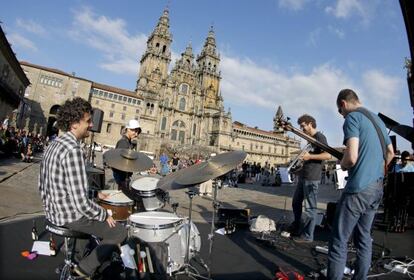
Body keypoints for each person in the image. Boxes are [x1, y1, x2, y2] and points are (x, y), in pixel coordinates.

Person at [39, 97, 127, 278]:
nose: (91, 124)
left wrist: (96, 193)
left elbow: (47, 185)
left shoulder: (53, 144)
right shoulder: (73, 150)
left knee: (94, 210)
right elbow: (80, 203)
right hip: (68, 216)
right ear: (74, 124)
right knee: (119, 231)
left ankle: (76, 255)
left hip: (52, 212)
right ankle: (85, 269)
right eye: (88, 121)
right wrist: (105, 214)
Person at [327, 89, 394, 280]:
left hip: (358, 189)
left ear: (343, 104)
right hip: (376, 187)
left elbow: (352, 156)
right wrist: (377, 170)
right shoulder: (377, 120)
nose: (342, 116)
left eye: (341, 113)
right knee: (364, 237)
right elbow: (390, 152)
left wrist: (342, 164)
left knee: (339, 241)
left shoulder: (352, 118)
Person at [289, 114, 331, 243]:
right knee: (296, 202)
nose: (302, 129)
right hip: (304, 176)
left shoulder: (319, 137)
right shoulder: (310, 139)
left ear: (310, 124)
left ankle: (308, 236)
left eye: (303, 126)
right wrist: (299, 169)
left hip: (312, 178)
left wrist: (310, 157)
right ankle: (298, 225)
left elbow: (327, 155)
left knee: (310, 207)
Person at [112, 119, 142, 188]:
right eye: (135, 131)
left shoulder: (127, 142)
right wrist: (122, 180)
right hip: (122, 177)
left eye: (137, 132)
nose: (136, 134)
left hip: (124, 177)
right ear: (128, 129)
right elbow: (120, 163)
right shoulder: (123, 142)